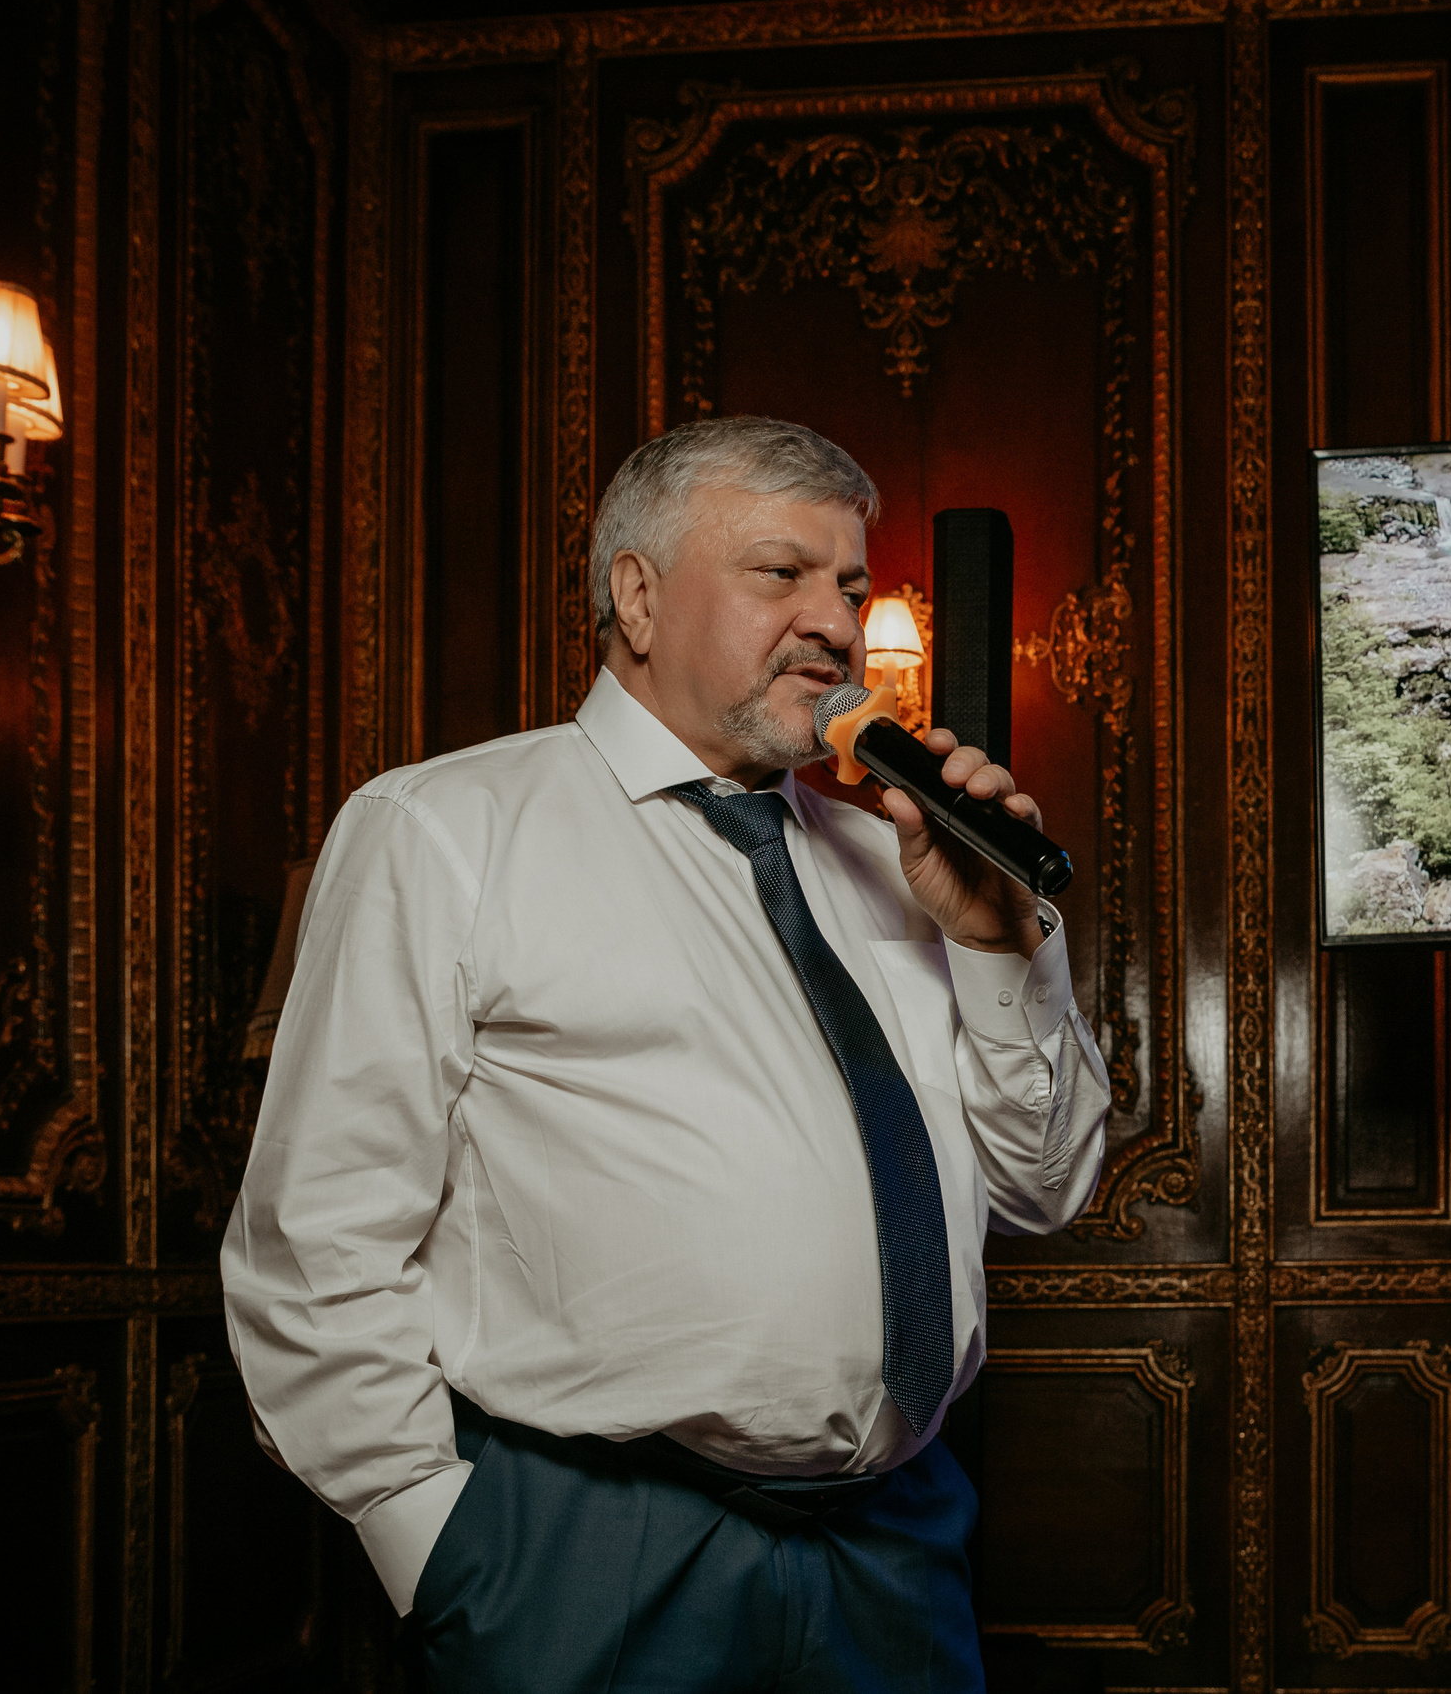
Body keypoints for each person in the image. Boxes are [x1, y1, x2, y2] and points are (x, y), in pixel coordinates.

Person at [221, 416, 1112, 1692]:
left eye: (850, 584)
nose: (834, 622)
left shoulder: (902, 864)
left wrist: (996, 944)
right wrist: (446, 1543)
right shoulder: (445, 830)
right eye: (780, 574)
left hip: (898, 1547)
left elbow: (1044, 1188)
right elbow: (314, 1243)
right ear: (636, 596)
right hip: (592, 1549)